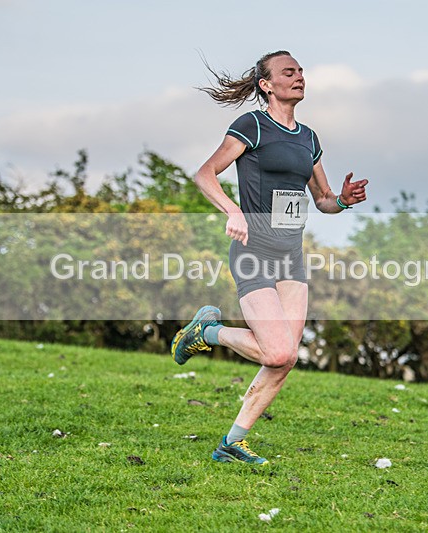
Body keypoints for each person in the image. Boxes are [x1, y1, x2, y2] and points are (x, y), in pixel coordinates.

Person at [171, 50, 368, 465]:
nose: (298, 77)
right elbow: (205, 174)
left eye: (300, 71)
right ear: (267, 84)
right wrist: (234, 211)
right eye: (288, 72)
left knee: (285, 358)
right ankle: (205, 333)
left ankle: (231, 443)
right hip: (254, 252)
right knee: (276, 352)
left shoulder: (309, 138)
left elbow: (322, 200)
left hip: (290, 258)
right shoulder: (252, 126)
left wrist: (344, 201)